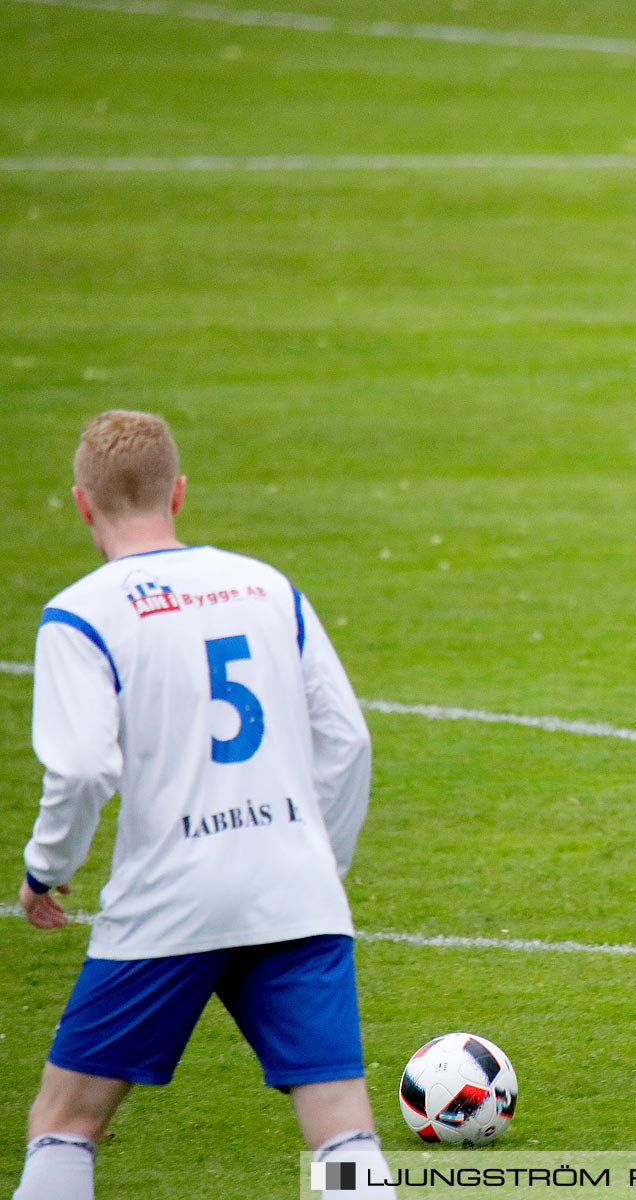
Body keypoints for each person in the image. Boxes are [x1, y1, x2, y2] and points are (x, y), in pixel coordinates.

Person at [12, 411, 393, 1200]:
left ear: (82, 504)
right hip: (294, 889)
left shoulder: (82, 613)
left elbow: (82, 768)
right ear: (178, 492)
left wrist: (44, 870)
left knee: (64, 1121)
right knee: (343, 1131)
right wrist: (322, 862)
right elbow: (348, 741)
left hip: (169, 898)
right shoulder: (266, 586)